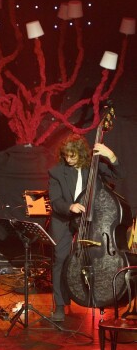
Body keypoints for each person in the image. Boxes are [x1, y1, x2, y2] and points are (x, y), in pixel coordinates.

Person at [48, 133, 123, 321]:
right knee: (60, 258)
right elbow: (55, 200)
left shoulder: (94, 166)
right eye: (66, 155)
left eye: (72, 155)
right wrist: (70, 207)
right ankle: (59, 304)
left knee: (94, 257)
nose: (68, 159)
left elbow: (120, 175)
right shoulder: (56, 172)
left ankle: (96, 295)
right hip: (63, 219)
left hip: (91, 220)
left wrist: (111, 156)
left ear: (81, 154)